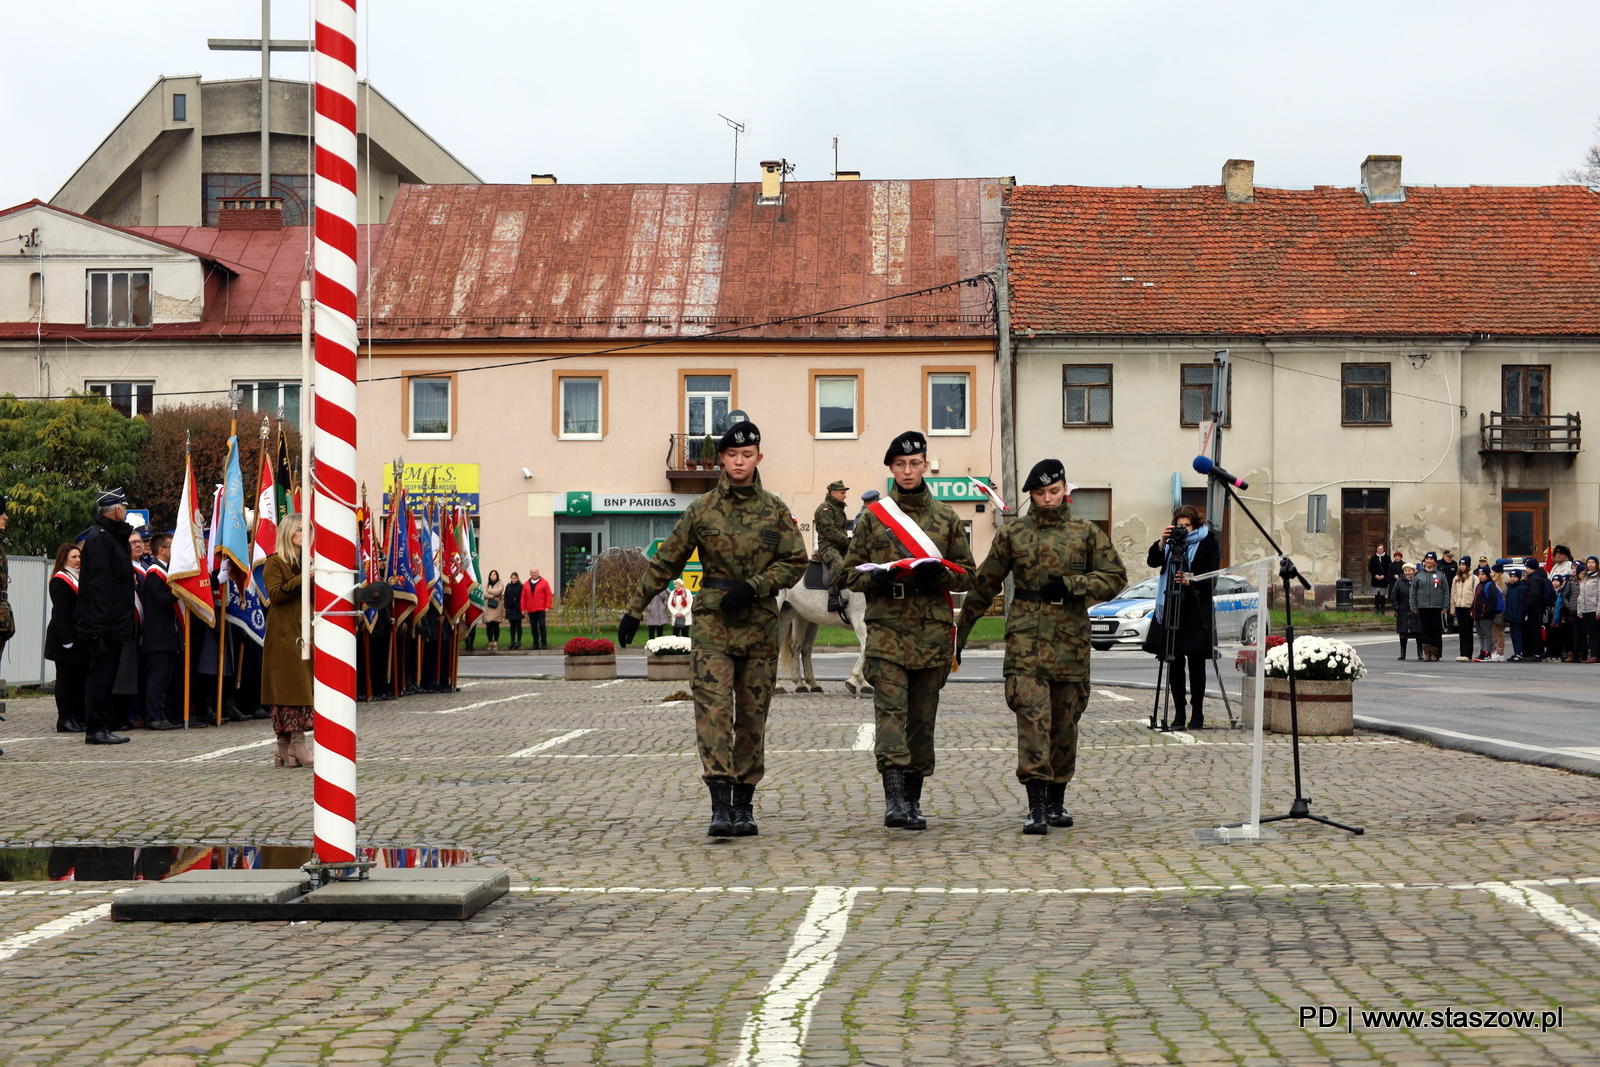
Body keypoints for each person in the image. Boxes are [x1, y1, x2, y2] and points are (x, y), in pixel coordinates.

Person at [617, 420, 808, 837]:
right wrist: (634, 609)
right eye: (732, 455)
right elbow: (666, 560)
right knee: (713, 714)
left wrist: (756, 585)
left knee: (753, 717)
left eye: (748, 455)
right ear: (722, 458)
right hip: (713, 625)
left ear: (759, 458)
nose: (740, 462)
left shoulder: (775, 510)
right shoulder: (701, 510)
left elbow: (796, 562)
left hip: (758, 625)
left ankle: (745, 804)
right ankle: (720, 805)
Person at [958, 459, 1125, 834]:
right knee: (1033, 721)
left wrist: (1074, 586)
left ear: (1065, 489)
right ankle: (1035, 807)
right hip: (1026, 642)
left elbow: (1116, 578)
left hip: (1070, 642)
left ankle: (1056, 802)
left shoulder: (1086, 533)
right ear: (1031, 495)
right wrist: (961, 633)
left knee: (1065, 725)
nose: (1048, 499)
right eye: (1040, 493)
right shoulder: (1014, 533)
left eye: (1054, 491)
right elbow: (985, 583)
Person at [842, 429, 976, 831]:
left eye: (914, 463)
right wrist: (877, 579)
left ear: (925, 465)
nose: (907, 470)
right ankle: (895, 801)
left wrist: (943, 573)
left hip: (932, 633)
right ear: (890, 468)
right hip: (886, 632)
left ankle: (914, 800)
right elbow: (848, 574)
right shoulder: (873, 519)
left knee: (921, 719)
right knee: (889, 716)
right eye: (899, 464)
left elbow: (968, 575)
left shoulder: (947, 518)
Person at [1141, 504, 1219, 729]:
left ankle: (1198, 713)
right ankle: (1179, 712)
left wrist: (1191, 580)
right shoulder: (1170, 543)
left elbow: (1212, 576)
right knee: (1173, 661)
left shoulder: (1207, 542)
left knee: (1195, 663)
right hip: (1171, 605)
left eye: (1187, 525)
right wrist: (1162, 542)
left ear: (1196, 525)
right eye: (1179, 525)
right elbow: (1153, 561)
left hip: (1195, 607)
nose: (1182, 529)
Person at [77, 489, 135, 745]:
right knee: (99, 676)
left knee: (106, 675)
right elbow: (100, 586)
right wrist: (100, 625)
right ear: (117, 510)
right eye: (123, 507)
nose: (125, 511)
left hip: (113, 621)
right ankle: (95, 728)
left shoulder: (112, 537)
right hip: (103, 624)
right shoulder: (100, 538)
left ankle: (102, 724)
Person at [261, 514, 314, 767]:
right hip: (284, 633)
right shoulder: (275, 562)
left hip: (305, 630)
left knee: (299, 684)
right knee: (290, 686)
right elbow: (275, 594)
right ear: (289, 532)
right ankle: (296, 742)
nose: (306, 533)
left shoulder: (308, 561)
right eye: (301, 529)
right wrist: (306, 576)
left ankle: (284, 746)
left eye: (308, 529)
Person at [140, 534, 182, 730]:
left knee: (166, 678)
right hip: (158, 635)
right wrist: (181, 589)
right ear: (161, 550)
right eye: (171, 546)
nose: (174, 550)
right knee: (157, 678)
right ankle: (152, 716)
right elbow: (163, 600)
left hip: (169, 634)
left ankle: (162, 714)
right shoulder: (154, 573)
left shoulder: (166, 571)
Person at [44, 543, 87, 733]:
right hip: (64, 637)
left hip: (79, 637)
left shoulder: (79, 578)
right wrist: (66, 639)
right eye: (74, 557)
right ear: (64, 560)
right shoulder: (60, 580)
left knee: (78, 679)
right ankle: (64, 718)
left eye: (79, 557)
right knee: (65, 678)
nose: (78, 560)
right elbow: (61, 612)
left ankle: (75, 716)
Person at [815, 479, 851, 615]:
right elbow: (829, 531)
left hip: (840, 545)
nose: (845, 495)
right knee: (839, 564)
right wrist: (847, 542)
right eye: (842, 493)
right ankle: (833, 599)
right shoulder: (825, 509)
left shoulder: (838, 508)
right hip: (828, 546)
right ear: (833, 493)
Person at [1411, 552, 1450, 662]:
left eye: (1431, 559)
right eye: (1427, 559)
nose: (1429, 561)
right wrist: (1413, 606)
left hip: (1436, 606)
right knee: (1425, 629)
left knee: (1435, 630)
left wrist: (1445, 605)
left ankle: (1434, 653)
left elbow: (1446, 591)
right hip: (1422, 606)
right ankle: (1427, 653)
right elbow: (1413, 592)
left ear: (1434, 561)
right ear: (1424, 561)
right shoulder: (1418, 575)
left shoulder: (1440, 574)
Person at [1522, 557, 1553, 661]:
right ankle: (1536, 652)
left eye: (1527, 567)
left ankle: (1537, 653)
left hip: (1535, 609)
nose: (1526, 569)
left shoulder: (1535, 578)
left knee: (1535, 631)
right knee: (1535, 630)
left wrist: (1526, 606)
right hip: (1538, 608)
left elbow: (1533, 595)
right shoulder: (1540, 577)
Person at [1471, 564, 1504, 662]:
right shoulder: (1479, 585)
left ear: (1487, 575)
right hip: (1477, 614)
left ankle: (1487, 652)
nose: (1480, 576)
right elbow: (1475, 599)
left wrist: (1485, 612)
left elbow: (1493, 600)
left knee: (1487, 634)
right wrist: (1471, 609)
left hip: (1485, 615)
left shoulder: (1490, 585)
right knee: (1480, 634)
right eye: (1479, 574)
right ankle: (1482, 651)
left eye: (1482, 574)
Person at [1450, 558, 1476, 662]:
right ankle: (1462, 652)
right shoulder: (1456, 578)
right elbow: (1453, 594)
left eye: (1464, 565)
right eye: (1460, 564)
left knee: (1468, 630)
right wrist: (1452, 609)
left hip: (1468, 607)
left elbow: (1476, 594)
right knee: (1462, 631)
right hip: (1459, 606)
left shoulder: (1474, 578)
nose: (1461, 567)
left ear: (1468, 566)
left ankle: (1468, 654)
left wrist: (1474, 609)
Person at [1393, 563, 1420, 660]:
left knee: (1418, 632)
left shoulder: (1417, 581)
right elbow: (1394, 595)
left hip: (1415, 610)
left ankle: (1420, 653)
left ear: (1413, 571)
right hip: (1403, 610)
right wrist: (1397, 607)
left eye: (1410, 570)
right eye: (1406, 571)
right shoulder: (1399, 582)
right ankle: (1402, 652)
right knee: (1403, 633)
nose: (1408, 572)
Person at [521, 568, 552, 651]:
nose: (534, 574)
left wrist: (548, 606)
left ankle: (544, 643)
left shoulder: (544, 582)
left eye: (535, 572)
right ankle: (535, 643)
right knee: (534, 627)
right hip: (531, 609)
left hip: (541, 608)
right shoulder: (526, 584)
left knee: (542, 625)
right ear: (530, 574)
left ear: (538, 573)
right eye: (532, 572)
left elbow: (548, 594)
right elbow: (523, 597)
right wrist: (523, 608)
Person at [1577, 556, 1600, 663]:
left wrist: (1598, 610)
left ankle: (1597, 654)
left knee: (1596, 632)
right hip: (1585, 609)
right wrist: (1579, 609)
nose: (1591, 564)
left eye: (1593, 562)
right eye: (1589, 562)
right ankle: (1592, 654)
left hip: (1594, 608)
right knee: (1590, 632)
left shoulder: (1598, 577)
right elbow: (1581, 595)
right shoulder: (1585, 578)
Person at [1504, 568, 1528, 661]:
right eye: (1511, 577)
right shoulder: (1510, 587)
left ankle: (1519, 653)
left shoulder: (1521, 587)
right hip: (1511, 615)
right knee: (1513, 636)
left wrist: (1520, 616)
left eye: (1515, 577)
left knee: (1518, 636)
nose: (1512, 579)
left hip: (1517, 616)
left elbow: (1521, 604)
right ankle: (1515, 652)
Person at [480, 569, 505, 651]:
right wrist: (492, 596)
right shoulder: (486, 584)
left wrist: (490, 591)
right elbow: (484, 593)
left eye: (494, 574)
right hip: (488, 607)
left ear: (497, 576)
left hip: (496, 607)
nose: (493, 576)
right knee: (489, 625)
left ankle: (495, 642)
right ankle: (490, 641)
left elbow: (498, 591)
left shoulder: (500, 583)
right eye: (491, 574)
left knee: (496, 624)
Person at [1368, 543, 1392, 615]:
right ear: (1376, 550)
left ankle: (1383, 610)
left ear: (1383, 549)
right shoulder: (1373, 558)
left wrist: (1384, 575)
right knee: (1376, 596)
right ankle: (1376, 609)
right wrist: (1375, 575)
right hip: (1375, 580)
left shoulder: (1387, 558)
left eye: (1381, 549)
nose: (1380, 550)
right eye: (1378, 549)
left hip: (1383, 580)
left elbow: (1389, 568)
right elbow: (1370, 567)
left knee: (1382, 596)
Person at [504, 572, 525, 650]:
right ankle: (512, 641)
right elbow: (506, 596)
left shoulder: (520, 586)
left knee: (518, 625)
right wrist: (506, 605)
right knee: (512, 626)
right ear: (511, 578)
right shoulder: (508, 586)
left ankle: (518, 641)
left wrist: (520, 606)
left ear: (518, 578)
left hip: (518, 608)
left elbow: (522, 597)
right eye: (513, 578)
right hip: (510, 608)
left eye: (515, 578)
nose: (514, 579)